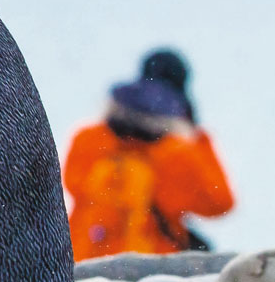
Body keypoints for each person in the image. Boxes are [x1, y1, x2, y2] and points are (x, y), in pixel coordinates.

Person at [64, 49, 234, 260]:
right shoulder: (177, 151)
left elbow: (73, 183)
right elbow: (220, 202)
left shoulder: (91, 138)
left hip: (82, 259)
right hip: (152, 266)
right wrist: (196, 136)